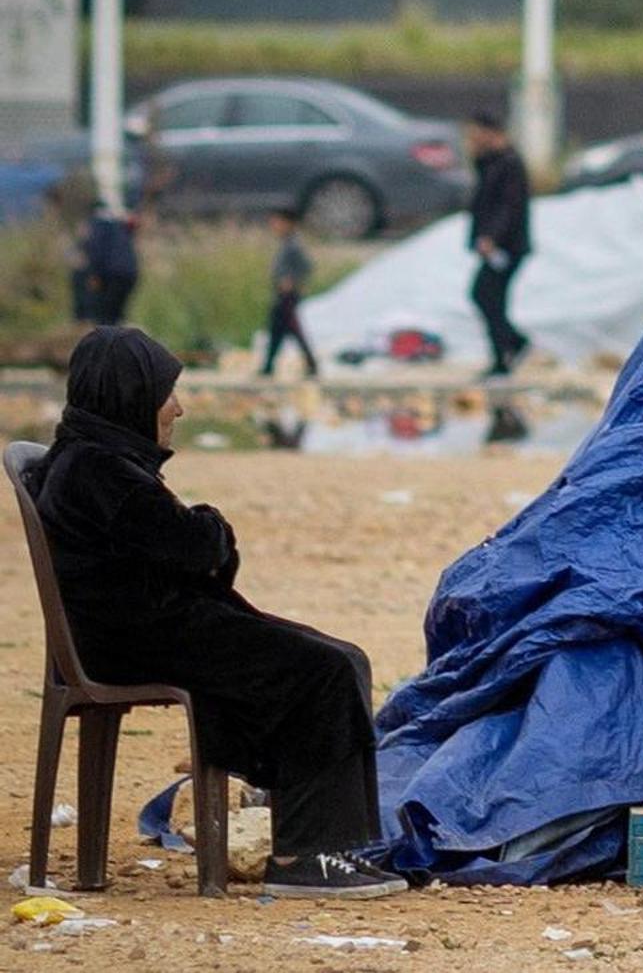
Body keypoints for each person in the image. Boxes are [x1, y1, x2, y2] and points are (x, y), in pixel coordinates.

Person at [25, 326, 405, 898]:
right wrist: (214, 525)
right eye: (165, 393)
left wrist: (203, 536)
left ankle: (325, 842)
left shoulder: (92, 457)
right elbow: (195, 547)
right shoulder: (99, 470)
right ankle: (306, 855)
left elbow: (180, 549)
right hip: (139, 638)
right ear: (129, 395)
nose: (177, 407)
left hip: (144, 627)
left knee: (339, 657)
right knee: (321, 670)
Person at [464, 110, 532, 380]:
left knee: (486, 295)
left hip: (505, 246)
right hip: (493, 245)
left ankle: (507, 351)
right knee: (487, 297)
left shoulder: (510, 164)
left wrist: (491, 237)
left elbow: (508, 207)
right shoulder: (490, 162)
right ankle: (509, 347)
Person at [258, 207, 319, 379]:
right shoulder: (286, 243)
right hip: (281, 294)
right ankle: (268, 366)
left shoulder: (294, 245)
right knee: (277, 331)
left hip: (288, 296)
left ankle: (310, 364)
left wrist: (292, 280)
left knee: (293, 330)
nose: (274, 225)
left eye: (278, 222)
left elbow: (307, 266)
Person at [74, 206, 139, 325]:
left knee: (105, 316)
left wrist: (95, 275)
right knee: (116, 315)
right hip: (130, 273)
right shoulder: (116, 225)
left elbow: (96, 251)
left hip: (113, 273)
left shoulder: (97, 226)